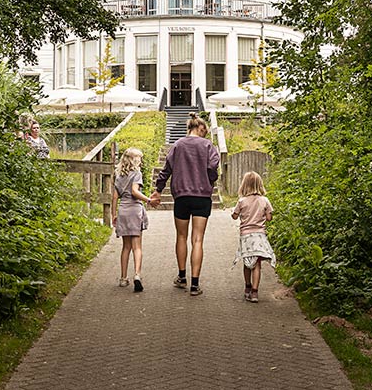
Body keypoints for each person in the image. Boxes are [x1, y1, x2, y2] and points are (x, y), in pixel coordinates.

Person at [149, 112, 219, 296]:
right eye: (204, 131)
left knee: (181, 236)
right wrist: (210, 180)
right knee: (198, 239)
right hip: (202, 197)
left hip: (181, 197)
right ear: (200, 128)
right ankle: (195, 285)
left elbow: (166, 170)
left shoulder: (178, 145)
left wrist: (158, 189)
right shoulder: (208, 145)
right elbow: (213, 166)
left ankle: (182, 277)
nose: (205, 135)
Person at [231, 171, 276, 303]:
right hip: (259, 235)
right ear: (259, 184)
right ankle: (255, 293)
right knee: (257, 264)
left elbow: (234, 216)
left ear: (244, 185)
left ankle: (247, 287)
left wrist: (237, 214)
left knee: (247, 263)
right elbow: (269, 218)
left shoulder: (242, 201)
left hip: (246, 236)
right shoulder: (265, 200)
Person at [112, 147, 151, 292]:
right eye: (139, 158)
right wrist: (148, 200)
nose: (140, 161)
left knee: (125, 247)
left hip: (123, 210)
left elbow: (115, 197)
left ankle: (123, 278)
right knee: (137, 247)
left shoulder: (119, 175)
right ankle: (137, 275)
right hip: (135, 210)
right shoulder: (137, 174)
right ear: (134, 160)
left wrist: (113, 215)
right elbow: (135, 192)